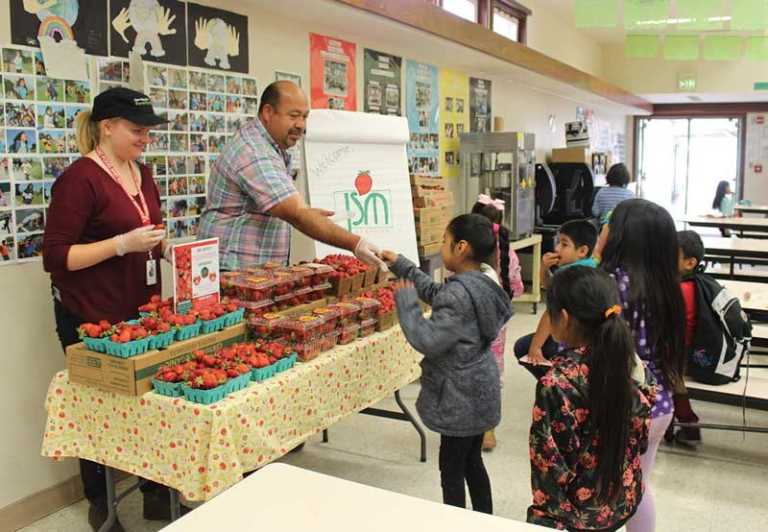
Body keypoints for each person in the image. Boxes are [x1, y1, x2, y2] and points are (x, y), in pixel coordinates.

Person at [42, 87, 176, 532]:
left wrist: (172, 248)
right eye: (137, 131)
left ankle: (157, 494)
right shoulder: (80, 179)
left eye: (148, 132)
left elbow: (151, 229)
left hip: (139, 314)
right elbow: (56, 257)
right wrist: (120, 245)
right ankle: (102, 506)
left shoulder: (143, 173)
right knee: (98, 412)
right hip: (91, 318)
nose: (145, 139)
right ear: (108, 128)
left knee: (150, 407)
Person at [380, 214, 512, 514]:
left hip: (459, 398)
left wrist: (407, 303)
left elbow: (427, 339)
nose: (441, 246)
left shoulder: (458, 294)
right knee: (472, 462)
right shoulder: (481, 283)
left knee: (451, 469)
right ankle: (484, 520)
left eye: (444, 241)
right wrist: (403, 265)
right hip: (480, 390)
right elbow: (439, 294)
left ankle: (454, 521)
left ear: (461, 246)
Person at [199, 81, 384, 271]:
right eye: (294, 116)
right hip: (231, 271)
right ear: (268, 113)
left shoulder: (272, 146)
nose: (301, 125)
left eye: (305, 117)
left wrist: (306, 214)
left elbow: (295, 210)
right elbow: (296, 214)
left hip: (254, 271)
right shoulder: (253, 151)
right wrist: (356, 243)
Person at [527, 266, 652, 530]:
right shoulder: (631, 363)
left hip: (578, 514)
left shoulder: (556, 384)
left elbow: (548, 465)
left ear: (564, 317)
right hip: (622, 497)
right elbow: (640, 439)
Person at [600, 199, 686, 532]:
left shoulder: (609, 282)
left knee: (601, 488)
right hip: (660, 401)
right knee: (639, 485)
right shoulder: (666, 286)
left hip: (620, 401)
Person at [470, 194, 522, 451]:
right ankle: (488, 430)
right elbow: (517, 286)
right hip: (497, 325)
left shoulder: (464, 252)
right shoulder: (508, 252)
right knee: (492, 373)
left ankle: (467, 426)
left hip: (467, 324)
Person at [514, 219, 598, 375]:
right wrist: (544, 268)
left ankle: (554, 385)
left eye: (564, 244)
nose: (557, 248)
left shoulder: (568, 275)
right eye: (558, 242)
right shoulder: (591, 266)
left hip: (572, 339)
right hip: (588, 337)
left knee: (522, 347)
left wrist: (535, 347)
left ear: (582, 251)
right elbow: (551, 288)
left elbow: (552, 313)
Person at [668, 230, 704, 447]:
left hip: (683, 353)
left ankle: (688, 423)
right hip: (688, 348)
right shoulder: (695, 284)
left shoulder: (680, 291)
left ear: (690, 263)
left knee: (670, 378)